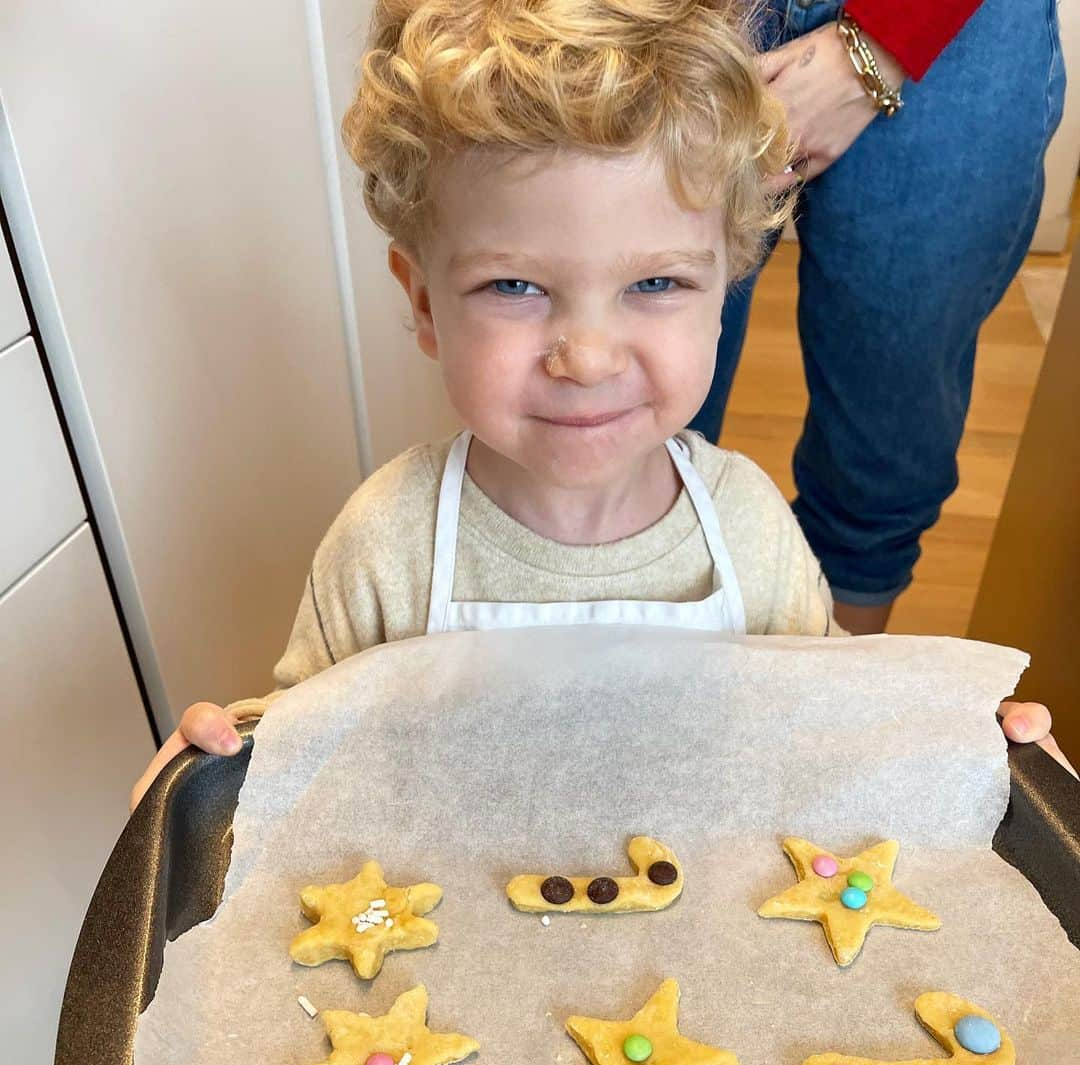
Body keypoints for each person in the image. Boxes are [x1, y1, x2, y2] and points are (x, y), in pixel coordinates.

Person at [130, 0, 1067, 810]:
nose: (586, 357)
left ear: (728, 277)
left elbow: (828, 739)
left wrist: (968, 753)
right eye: (514, 288)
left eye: (656, 282)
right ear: (422, 301)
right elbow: (297, 762)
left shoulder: (749, 533)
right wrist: (206, 775)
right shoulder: (384, 548)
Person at [689, 0, 1067, 635]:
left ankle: (828, 712)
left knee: (883, 452)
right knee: (628, 433)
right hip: (660, 16)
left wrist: (886, 39)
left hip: (956, 25)